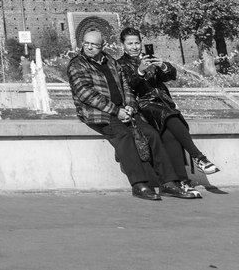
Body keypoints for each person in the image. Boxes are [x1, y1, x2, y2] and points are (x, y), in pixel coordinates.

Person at [67, 29, 191, 200]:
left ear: (102, 46)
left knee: (152, 135)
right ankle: (139, 184)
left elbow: (126, 86)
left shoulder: (110, 61)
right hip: (98, 113)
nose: (89, 47)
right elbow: (85, 93)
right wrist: (116, 111)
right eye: (86, 43)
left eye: (94, 45)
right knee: (123, 135)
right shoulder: (77, 64)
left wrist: (130, 106)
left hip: (123, 110)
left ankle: (169, 183)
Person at [118, 27, 218, 189]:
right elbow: (128, 87)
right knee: (170, 116)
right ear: (123, 45)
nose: (135, 47)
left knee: (170, 134)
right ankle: (198, 157)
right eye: (130, 43)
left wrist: (162, 65)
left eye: (137, 43)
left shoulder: (147, 59)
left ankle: (182, 181)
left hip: (163, 103)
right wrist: (140, 72)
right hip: (143, 105)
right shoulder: (120, 64)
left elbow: (170, 76)